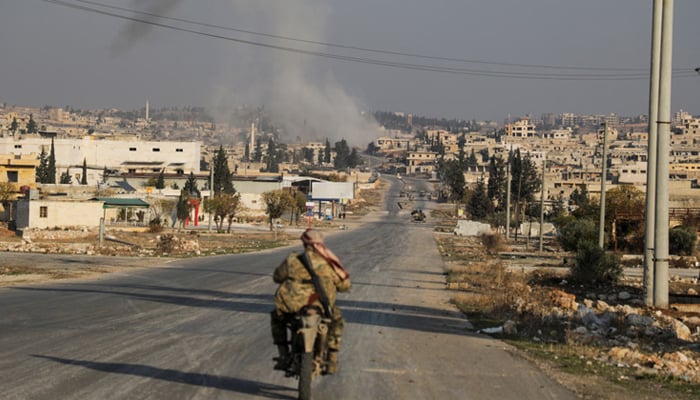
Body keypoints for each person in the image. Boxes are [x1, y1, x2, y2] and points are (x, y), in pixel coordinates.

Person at [270, 228, 351, 374]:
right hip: (321, 306)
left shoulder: (292, 260)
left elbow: (277, 277)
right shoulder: (329, 262)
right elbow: (344, 285)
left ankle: (283, 354)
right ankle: (332, 359)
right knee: (336, 321)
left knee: (277, 318)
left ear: (303, 242)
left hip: (291, 306)